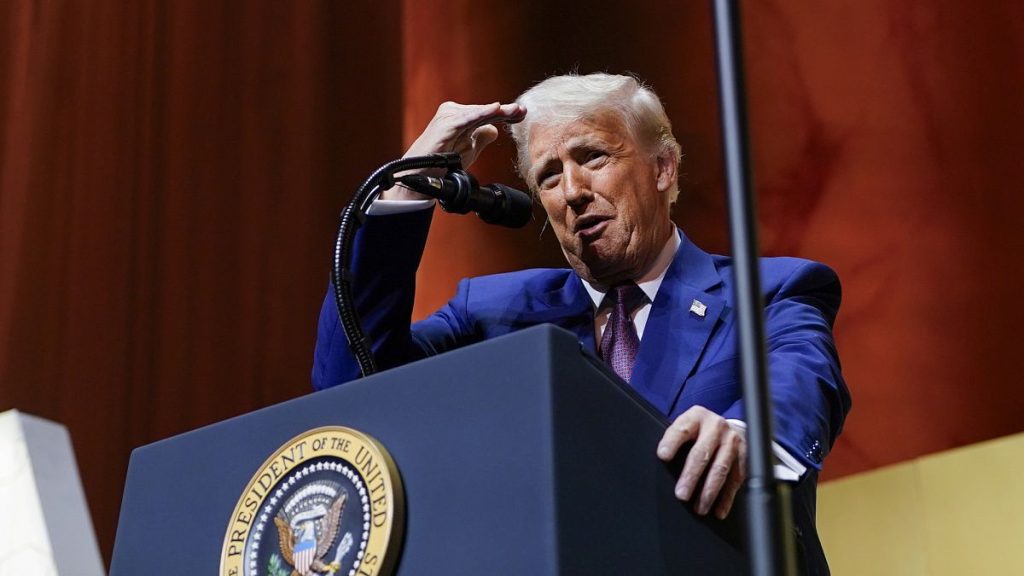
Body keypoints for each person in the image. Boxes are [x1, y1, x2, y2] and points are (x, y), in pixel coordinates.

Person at [313, 73, 850, 574]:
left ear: (663, 167)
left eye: (592, 157)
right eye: (548, 176)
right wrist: (411, 186)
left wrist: (742, 433)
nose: (571, 191)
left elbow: (803, 384)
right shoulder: (491, 311)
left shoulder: (770, 292)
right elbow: (351, 387)